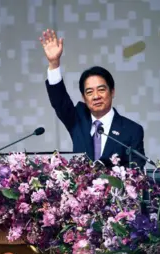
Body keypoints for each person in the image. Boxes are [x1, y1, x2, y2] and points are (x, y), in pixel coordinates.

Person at [39, 29, 146, 168]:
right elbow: (60, 101)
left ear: (112, 91)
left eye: (101, 89)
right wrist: (54, 64)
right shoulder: (78, 119)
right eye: (89, 92)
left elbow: (136, 171)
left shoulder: (132, 130)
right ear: (84, 97)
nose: (96, 96)